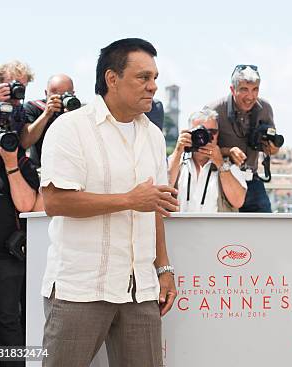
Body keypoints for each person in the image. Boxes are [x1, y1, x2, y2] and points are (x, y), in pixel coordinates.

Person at [39, 38, 179, 367]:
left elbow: (154, 207)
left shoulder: (154, 136)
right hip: (80, 287)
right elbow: (55, 202)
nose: (153, 87)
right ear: (111, 79)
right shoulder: (70, 128)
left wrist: (165, 268)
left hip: (140, 289)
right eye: (143, 77)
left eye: (155, 78)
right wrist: (130, 199)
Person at [0, 127, 38, 366]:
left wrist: (10, 163)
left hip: (4, 260)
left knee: (9, 324)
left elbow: (26, 205)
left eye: (0, 131)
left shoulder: (22, 163)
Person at [205, 64, 279, 212]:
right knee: (226, 233)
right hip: (224, 181)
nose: (250, 97)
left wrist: (272, 148)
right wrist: (228, 151)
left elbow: (273, 148)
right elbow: (203, 149)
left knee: (267, 229)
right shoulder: (214, 110)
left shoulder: (265, 109)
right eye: (244, 89)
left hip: (252, 180)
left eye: (255, 90)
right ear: (232, 89)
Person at [168, 108, 246, 212]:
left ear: (218, 135)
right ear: (189, 133)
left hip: (216, 228)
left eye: (211, 132)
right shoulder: (177, 161)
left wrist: (220, 164)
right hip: (181, 227)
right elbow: (164, 187)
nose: (204, 137)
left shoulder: (229, 165)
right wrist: (178, 151)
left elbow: (238, 201)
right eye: (199, 132)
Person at [21, 74, 80, 166]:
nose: (61, 98)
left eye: (67, 94)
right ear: (46, 93)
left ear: (73, 93)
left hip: (70, 169)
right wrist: (46, 114)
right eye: (56, 93)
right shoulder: (34, 108)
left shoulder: (78, 111)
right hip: (41, 168)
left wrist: (72, 118)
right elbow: (25, 142)